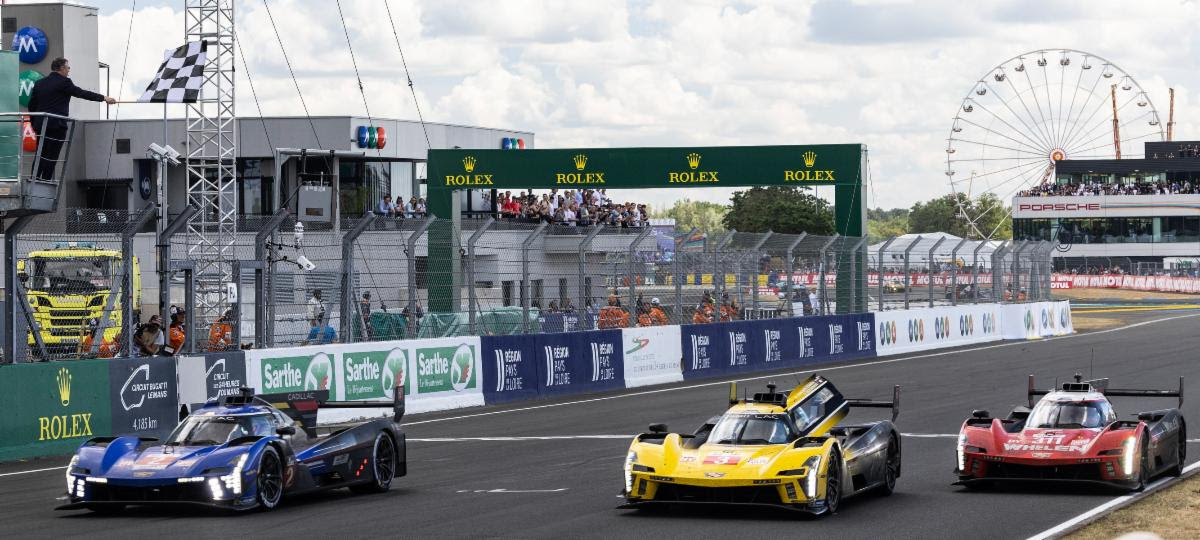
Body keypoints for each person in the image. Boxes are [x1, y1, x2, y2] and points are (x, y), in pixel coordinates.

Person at [27, 57, 117, 180]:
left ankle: (34, 179)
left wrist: (34, 124)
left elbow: (31, 106)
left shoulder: (39, 83)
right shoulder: (64, 82)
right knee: (51, 156)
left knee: (40, 155)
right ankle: (45, 181)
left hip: (41, 126)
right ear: (62, 68)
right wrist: (103, 98)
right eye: (68, 67)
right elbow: (81, 93)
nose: (69, 70)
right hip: (57, 126)